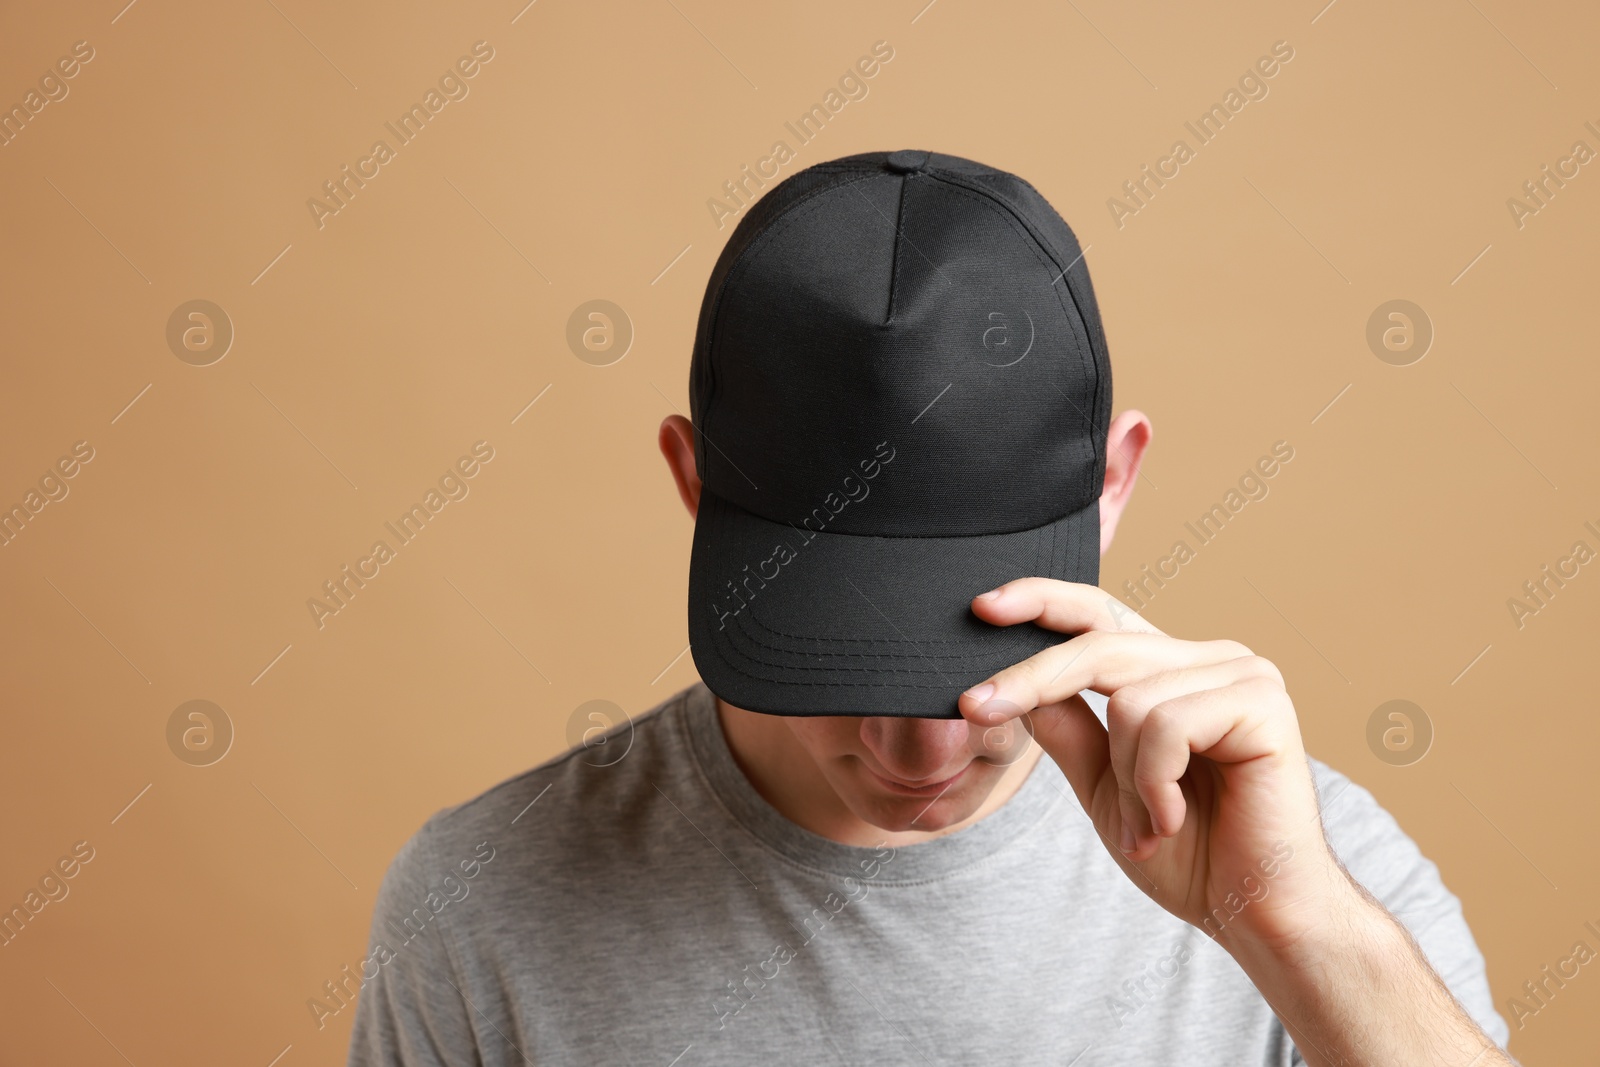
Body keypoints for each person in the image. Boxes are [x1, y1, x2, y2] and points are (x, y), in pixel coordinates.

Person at [347, 150, 1514, 1065]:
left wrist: (1298, 935)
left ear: (1113, 481)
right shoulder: (481, 902)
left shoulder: (1318, 868)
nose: (925, 741)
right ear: (693, 482)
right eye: (846, 653)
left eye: (977, 636)